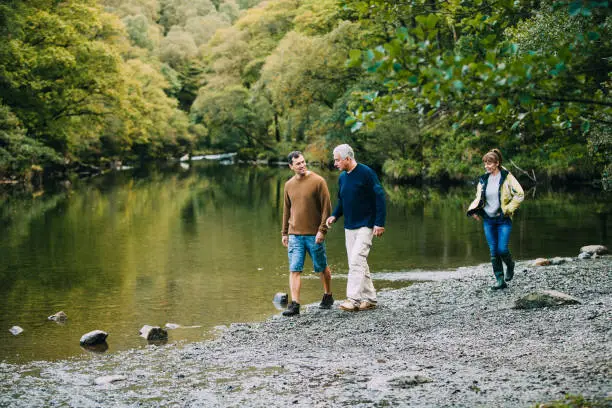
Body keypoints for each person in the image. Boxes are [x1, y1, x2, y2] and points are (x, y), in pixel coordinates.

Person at [325, 144, 386, 311]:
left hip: (366, 225)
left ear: (347, 159)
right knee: (359, 262)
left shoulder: (366, 173)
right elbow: (342, 201)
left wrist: (379, 223)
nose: (335, 163)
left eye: (337, 160)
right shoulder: (343, 177)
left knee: (356, 260)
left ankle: (353, 299)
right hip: (349, 226)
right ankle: (371, 299)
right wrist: (334, 215)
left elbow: (379, 197)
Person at [281, 151, 334, 316]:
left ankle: (328, 295)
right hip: (295, 234)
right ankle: (295, 305)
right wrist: (284, 232)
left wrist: (322, 230)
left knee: (321, 267)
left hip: (314, 234)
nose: (302, 165)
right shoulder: (288, 185)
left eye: (303, 162)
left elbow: (327, 208)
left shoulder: (319, 181)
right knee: (294, 269)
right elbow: (286, 210)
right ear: (291, 166)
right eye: (298, 164)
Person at [467, 148, 524, 290]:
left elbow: (520, 194)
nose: (487, 166)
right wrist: (473, 209)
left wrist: (509, 209)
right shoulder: (483, 179)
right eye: (485, 163)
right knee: (493, 251)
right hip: (488, 220)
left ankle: (510, 265)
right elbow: (479, 198)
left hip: (503, 219)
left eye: (490, 163)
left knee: (502, 249)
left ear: (497, 163)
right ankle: (500, 280)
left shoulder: (506, 177)